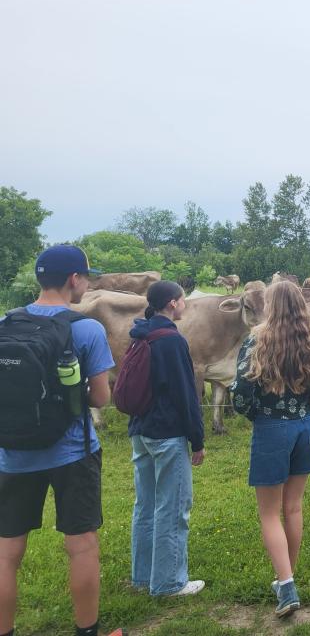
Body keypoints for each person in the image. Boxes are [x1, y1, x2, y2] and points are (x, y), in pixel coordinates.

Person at [0, 245, 116, 636]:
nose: (87, 282)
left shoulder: (5, 322)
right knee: (80, 544)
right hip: (71, 452)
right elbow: (101, 398)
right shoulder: (86, 328)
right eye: (86, 276)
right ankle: (87, 631)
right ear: (74, 279)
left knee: (7, 551)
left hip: (12, 452)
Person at [230, 281, 310, 618]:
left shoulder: (257, 340)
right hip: (305, 426)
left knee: (269, 513)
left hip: (272, 428)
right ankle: (287, 577)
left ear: (270, 305)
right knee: (293, 508)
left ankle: (286, 584)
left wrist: (256, 415)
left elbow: (241, 394)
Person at [127, 280, 206, 597]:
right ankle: (169, 583)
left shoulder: (140, 333)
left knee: (145, 505)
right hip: (167, 434)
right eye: (183, 299)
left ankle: (143, 576)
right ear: (172, 303)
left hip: (140, 430)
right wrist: (197, 440)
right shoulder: (172, 341)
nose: (185, 304)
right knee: (173, 507)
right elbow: (186, 395)